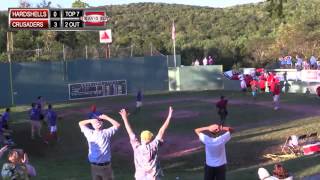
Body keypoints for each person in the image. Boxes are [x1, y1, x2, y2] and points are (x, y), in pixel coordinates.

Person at [119, 106, 173, 180]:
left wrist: (125, 118)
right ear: (149, 139)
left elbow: (130, 132)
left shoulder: (136, 147)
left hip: (140, 177)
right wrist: (169, 116)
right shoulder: (154, 145)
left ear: (141, 138)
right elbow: (161, 131)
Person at [79, 113, 120, 180]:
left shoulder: (106, 133)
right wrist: (90, 120)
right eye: (95, 122)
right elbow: (80, 123)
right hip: (94, 166)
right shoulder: (89, 133)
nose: (97, 123)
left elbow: (117, 125)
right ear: (92, 124)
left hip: (105, 167)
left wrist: (107, 118)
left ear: (102, 123)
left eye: (100, 121)